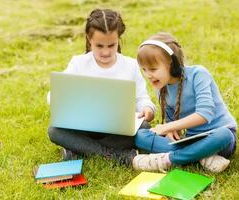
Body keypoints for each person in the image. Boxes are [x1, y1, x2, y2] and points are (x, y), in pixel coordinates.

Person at [47, 8, 156, 166]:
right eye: (99, 46)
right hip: (83, 126)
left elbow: (142, 98)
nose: (106, 52)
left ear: (118, 39)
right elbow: (54, 96)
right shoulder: (79, 63)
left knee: (144, 128)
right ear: (89, 40)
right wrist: (63, 98)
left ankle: (78, 150)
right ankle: (116, 155)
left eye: (111, 45)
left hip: (118, 129)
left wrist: (148, 109)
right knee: (54, 130)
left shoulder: (130, 65)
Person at [132, 32, 237, 173]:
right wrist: (171, 131)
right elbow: (173, 124)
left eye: (153, 69)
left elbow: (205, 114)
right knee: (140, 136)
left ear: (171, 63)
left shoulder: (198, 74)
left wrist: (167, 127)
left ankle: (167, 160)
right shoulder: (161, 88)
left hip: (218, 138)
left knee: (225, 134)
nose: (148, 75)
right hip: (191, 140)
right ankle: (202, 156)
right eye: (144, 69)